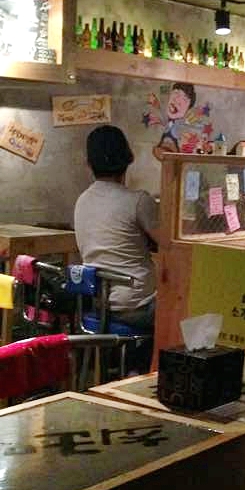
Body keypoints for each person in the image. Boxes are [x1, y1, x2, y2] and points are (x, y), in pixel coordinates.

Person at [74, 125, 158, 371]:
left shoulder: (82, 200)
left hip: (97, 303)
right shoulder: (138, 201)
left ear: (89, 163)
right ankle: (145, 374)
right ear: (128, 158)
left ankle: (131, 369)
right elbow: (169, 244)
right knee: (183, 308)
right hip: (137, 307)